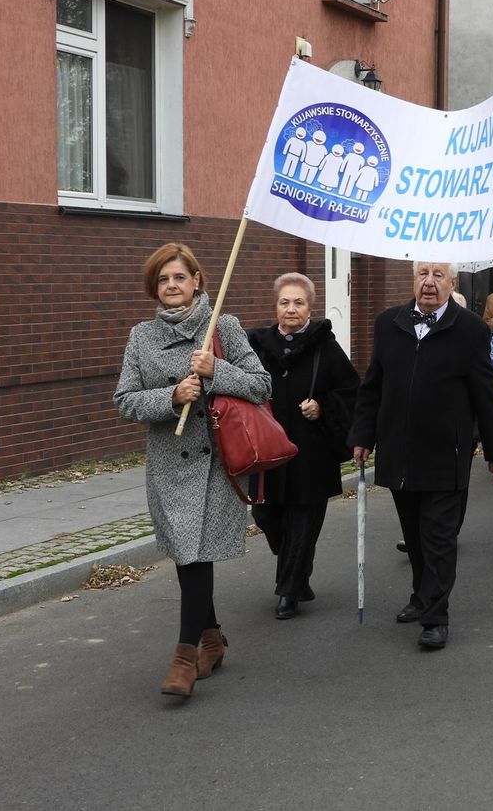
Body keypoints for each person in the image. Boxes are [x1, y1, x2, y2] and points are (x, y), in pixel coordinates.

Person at [114, 243, 272, 697]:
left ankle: (184, 658)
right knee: (187, 553)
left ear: (197, 281)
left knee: (195, 553)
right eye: (163, 280)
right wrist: (171, 398)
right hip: (168, 464)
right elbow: (124, 400)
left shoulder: (223, 326)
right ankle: (212, 638)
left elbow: (261, 386)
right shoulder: (141, 337)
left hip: (218, 463)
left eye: (179, 278)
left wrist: (215, 369)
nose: (172, 287)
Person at [349, 262, 493, 651]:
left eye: (439, 275)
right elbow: (374, 384)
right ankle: (421, 595)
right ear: (413, 280)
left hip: (446, 451)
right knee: (414, 535)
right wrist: (362, 435)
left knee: (438, 536)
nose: (429, 282)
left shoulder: (469, 328)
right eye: (423, 273)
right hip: (399, 449)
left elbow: (485, 393)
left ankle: (436, 615)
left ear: (453, 284)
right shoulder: (390, 322)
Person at [246, 273, 360, 620]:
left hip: (310, 451)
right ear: (275, 306)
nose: (291, 309)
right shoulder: (258, 346)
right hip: (267, 452)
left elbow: (350, 391)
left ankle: (290, 591)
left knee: (302, 520)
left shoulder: (325, 346)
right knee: (265, 514)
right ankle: (297, 570)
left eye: (298, 302)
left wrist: (322, 407)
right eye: (284, 302)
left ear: (310, 307)